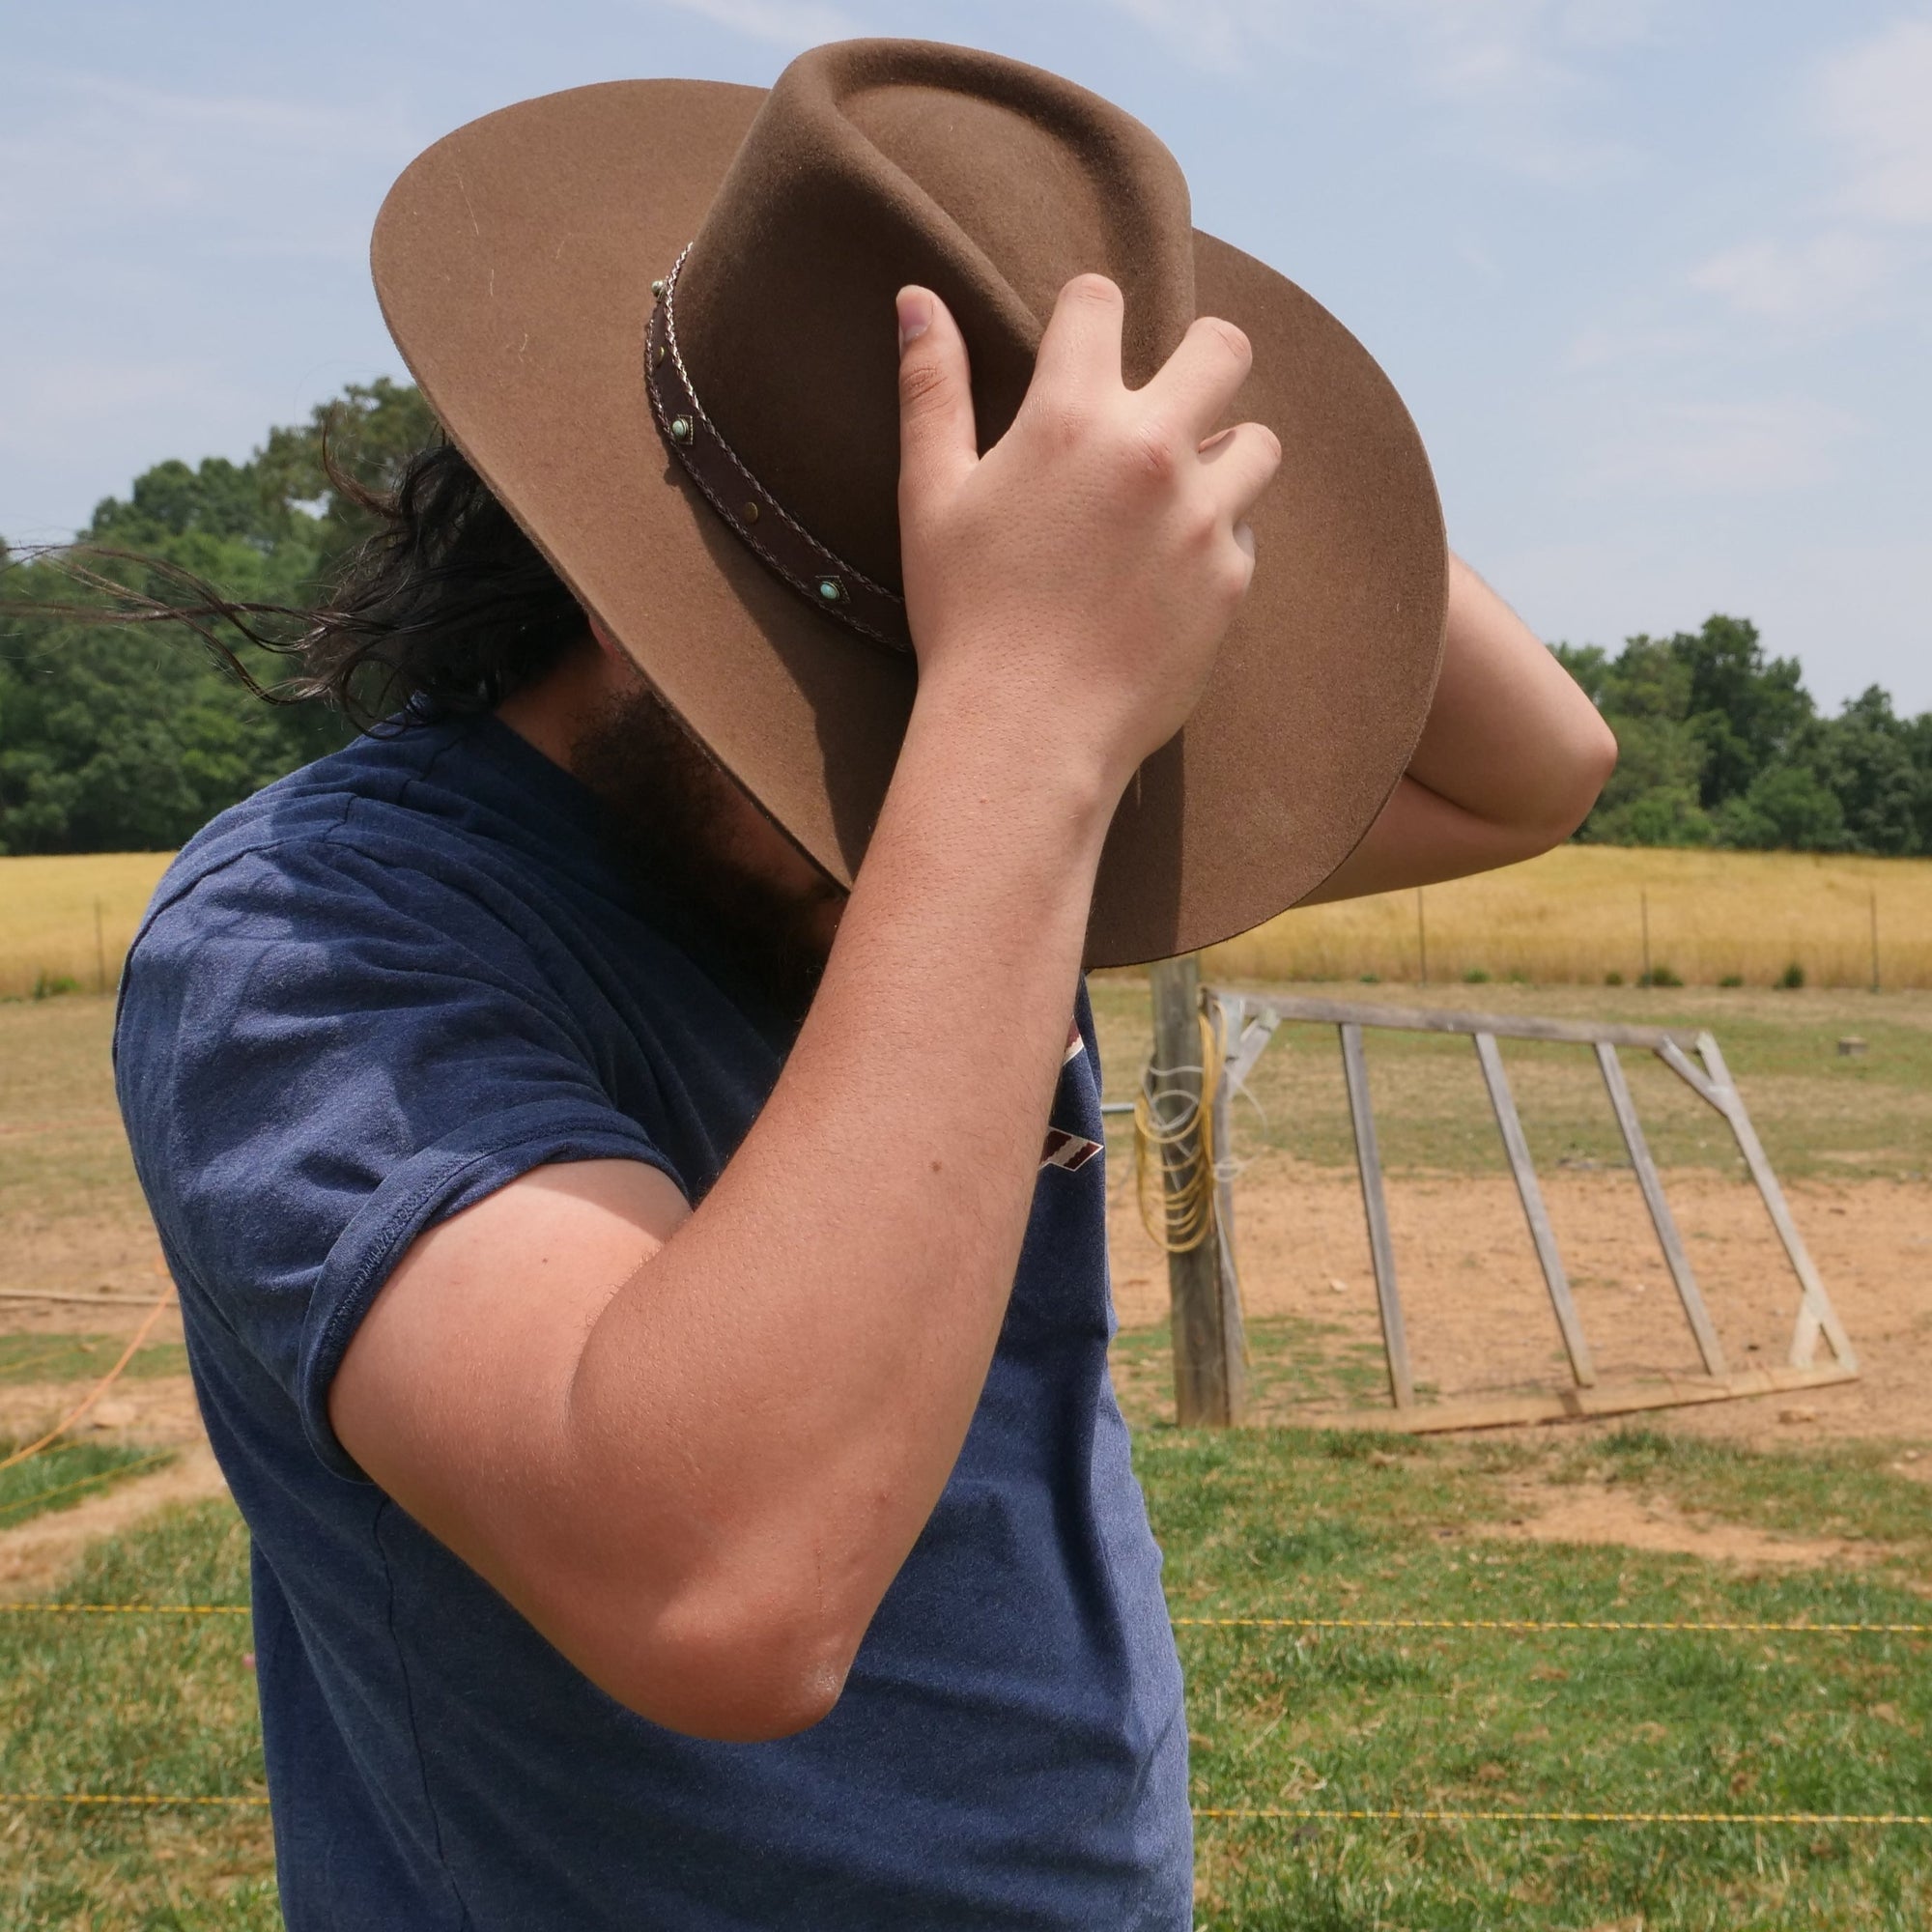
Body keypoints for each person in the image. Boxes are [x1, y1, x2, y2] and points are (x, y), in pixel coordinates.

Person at [114, 40, 1613, 1931]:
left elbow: (1527, 765)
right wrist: (1015, 719)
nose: (924, 829)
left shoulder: (965, 817)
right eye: (861, 734)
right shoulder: (318, 937)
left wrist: (1090, 349)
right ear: (627, 585)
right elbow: (724, 1584)